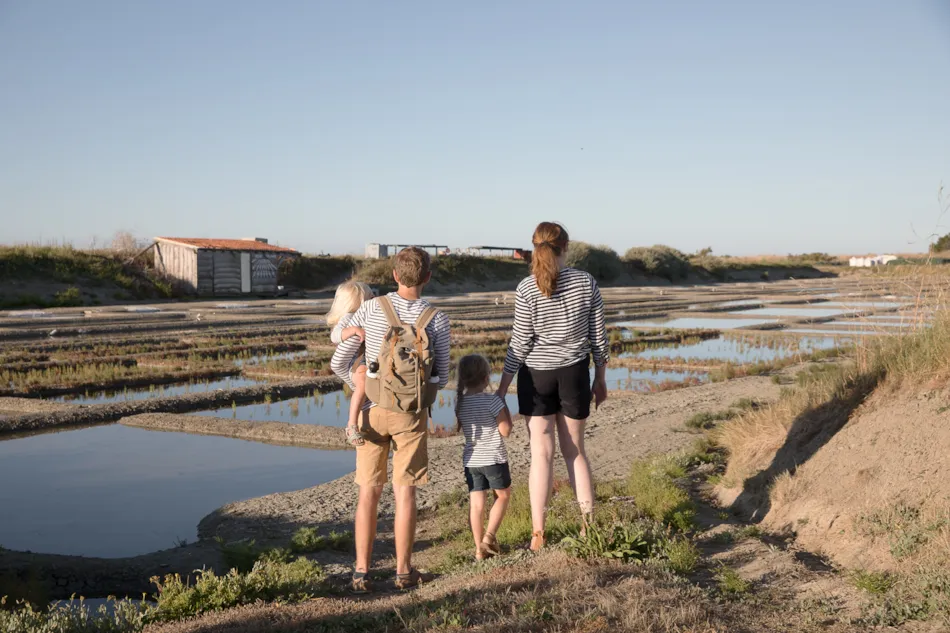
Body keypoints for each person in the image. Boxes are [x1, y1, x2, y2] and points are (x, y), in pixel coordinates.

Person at [330, 247, 451, 593]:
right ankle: (402, 571)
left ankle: (361, 572)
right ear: (427, 277)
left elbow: (337, 335)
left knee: (368, 492)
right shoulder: (437, 318)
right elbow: (440, 375)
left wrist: (358, 367)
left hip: (370, 409)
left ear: (395, 276)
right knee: (405, 492)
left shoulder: (371, 308)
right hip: (410, 415)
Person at [495, 222, 609, 551]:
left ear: (533, 246)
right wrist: (600, 378)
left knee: (541, 455)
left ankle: (537, 536)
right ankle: (589, 528)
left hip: (536, 376)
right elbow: (598, 338)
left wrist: (502, 390)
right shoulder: (585, 282)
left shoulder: (527, 288)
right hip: (574, 374)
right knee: (575, 452)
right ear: (566, 246)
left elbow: (519, 343)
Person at [454, 354, 513, 560]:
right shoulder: (492, 401)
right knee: (503, 495)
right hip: (493, 458)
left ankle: (479, 550)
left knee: (477, 504)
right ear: (486, 377)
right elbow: (505, 431)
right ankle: (489, 538)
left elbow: (460, 427)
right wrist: (502, 403)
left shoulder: (460, 403)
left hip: (471, 461)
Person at [325, 281, 373, 446]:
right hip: (357, 359)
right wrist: (353, 330)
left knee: (365, 386)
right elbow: (335, 336)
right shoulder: (349, 317)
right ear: (358, 301)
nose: (373, 299)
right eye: (370, 297)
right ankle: (351, 424)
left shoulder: (369, 314)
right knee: (362, 384)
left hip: (367, 357)